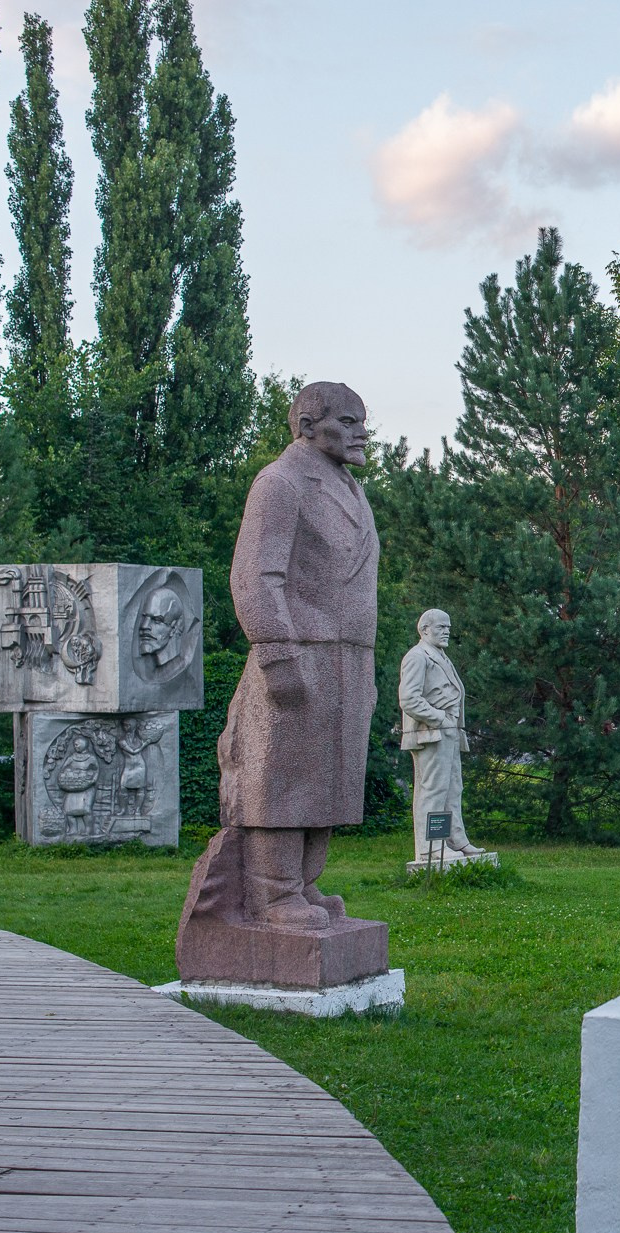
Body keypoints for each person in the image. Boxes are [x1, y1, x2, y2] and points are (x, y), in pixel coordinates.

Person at [184, 381, 379, 931]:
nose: (361, 433)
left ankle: (303, 882)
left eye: (363, 421)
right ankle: (272, 893)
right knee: (283, 779)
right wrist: (275, 653)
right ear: (308, 426)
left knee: (330, 781)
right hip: (299, 650)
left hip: (348, 656)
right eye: (348, 421)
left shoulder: (350, 488)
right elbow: (254, 576)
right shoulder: (280, 482)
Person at [398, 608, 486, 864]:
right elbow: (409, 699)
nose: (447, 631)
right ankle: (431, 848)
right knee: (433, 790)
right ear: (424, 629)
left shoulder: (441, 656)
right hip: (431, 733)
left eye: (448, 627)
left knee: (453, 788)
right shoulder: (417, 657)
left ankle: (455, 840)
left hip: (448, 732)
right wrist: (440, 718)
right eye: (441, 627)